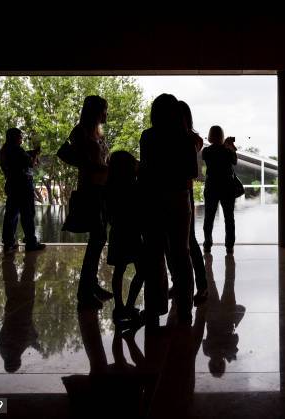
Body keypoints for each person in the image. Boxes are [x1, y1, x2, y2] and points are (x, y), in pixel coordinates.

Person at [138, 94, 198, 326]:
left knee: (154, 255)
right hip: (179, 199)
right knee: (181, 255)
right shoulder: (185, 139)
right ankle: (185, 308)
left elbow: (144, 171)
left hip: (153, 200)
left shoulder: (148, 136)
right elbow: (192, 172)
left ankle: (155, 307)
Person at [69, 95, 113, 309]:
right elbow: (87, 164)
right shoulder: (81, 133)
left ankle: (91, 285)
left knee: (99, 239)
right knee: (97, 240)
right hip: (91, 190)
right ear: (95, 111)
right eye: (104, 110)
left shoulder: (95, 133)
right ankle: (84, 290)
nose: (106, 114)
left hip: (100, 189)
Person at [106, 150, 144, 325]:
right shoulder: (134, 186)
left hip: (117, 232)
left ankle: (119, 306)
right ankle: (129, 305)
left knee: (119, 270)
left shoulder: (110, 186)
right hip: (133, 232)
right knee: (142, 271)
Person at [179, 101, 208, 305]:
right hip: (182, 191)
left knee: (188, 240)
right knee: (188, 241)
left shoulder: (191, 140)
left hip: (181, 191)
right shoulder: (193, 139)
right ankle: (198, 286)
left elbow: (192, 172)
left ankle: (200, 286)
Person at [0, 127, 46, 253]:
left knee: (11, 215)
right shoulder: (16, 150)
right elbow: (30, 163)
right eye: (20, 136)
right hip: (23, 187)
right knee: (27, 215)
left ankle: (9, 242)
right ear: (15, 137)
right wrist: (35, 153)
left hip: (12, 186)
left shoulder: (5, 150)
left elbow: (22, 158)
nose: (21, 138)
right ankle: (31, 242)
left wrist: (31, 153)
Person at [202, 125, 237, 254]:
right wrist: (230, 146)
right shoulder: (227, 151)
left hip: (211, 187)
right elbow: (235, 161)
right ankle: (229, 246)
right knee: (229, 218)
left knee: (209, 217)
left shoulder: (206, 151)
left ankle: (207, 244)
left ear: (210, 136)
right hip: (227, 188)